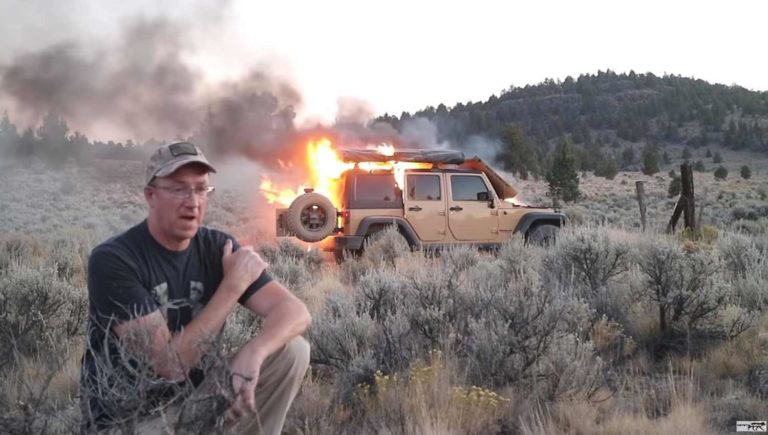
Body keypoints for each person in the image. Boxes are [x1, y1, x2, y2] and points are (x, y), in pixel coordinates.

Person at [80, 141, 311, 434]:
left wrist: (254, 352)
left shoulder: (217, 247)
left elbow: (296, 312)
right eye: (178, 189)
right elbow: (170, 365)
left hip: (196, 404)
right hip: (132, 422)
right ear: (151, 196)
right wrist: (233, 286)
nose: (192, 201)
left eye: (201, 189)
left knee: (292, 351)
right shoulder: (114, 260)